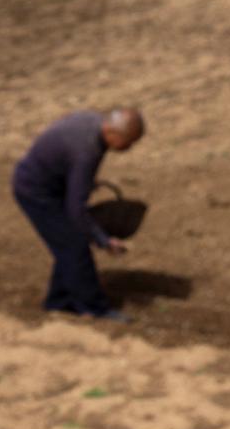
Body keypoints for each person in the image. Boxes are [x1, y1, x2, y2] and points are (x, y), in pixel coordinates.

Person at [11, 107, 145, 320]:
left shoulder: (93, 122)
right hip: (36, 192)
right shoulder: (87, 150)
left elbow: (64, 126)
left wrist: (78, 179)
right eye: (128, 142)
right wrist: (103, 240)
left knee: (67, 244)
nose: (129, 147)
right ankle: (94, 308)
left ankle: (58, 302)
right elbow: (76, 209)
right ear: (113, 134)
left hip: (48, 183)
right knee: (75, 246)